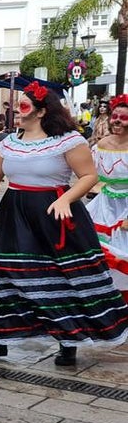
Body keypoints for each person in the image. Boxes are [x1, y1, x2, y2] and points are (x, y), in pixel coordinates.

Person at [0, 83, 128, 364]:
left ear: (42, 111)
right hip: (15, 214)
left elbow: (88, 176)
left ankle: (68, 340)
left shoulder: (68, 141)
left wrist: (65, 200)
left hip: (55, 216)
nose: (15, 111)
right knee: (9, 275)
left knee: (60, 278)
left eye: (23, 106)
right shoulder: (10, 142)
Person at [87, 95, 128, 301]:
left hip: (126, 208)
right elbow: (90, 175)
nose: (118, 121)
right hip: (103, 205)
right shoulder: (101, 145)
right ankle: (107, 300)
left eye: (124, 118)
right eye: (115, 117)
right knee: (100, 254)